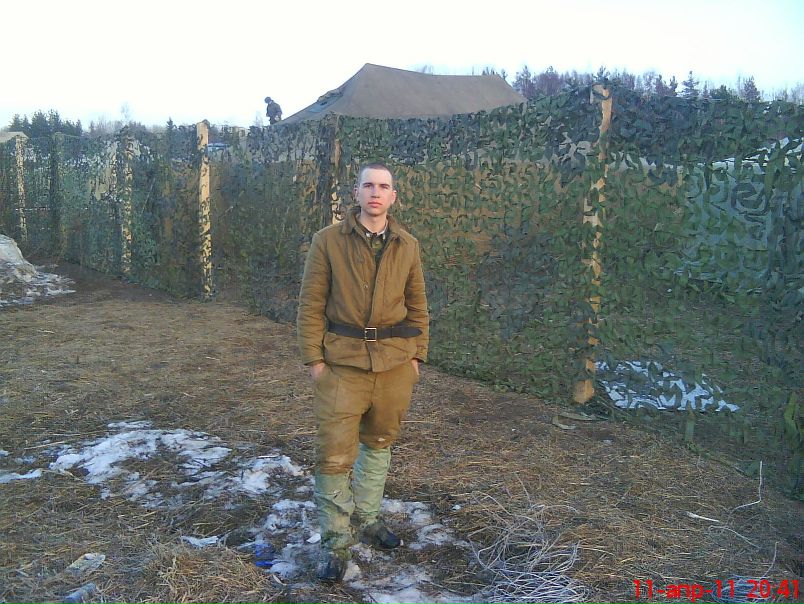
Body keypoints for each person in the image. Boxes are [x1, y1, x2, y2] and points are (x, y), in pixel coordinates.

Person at [297, 162, 429, 582]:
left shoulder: (407, 245)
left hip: (394, 365)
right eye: (368, 185)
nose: (375, 192)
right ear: (355, 194)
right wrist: (315, 361)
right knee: (334, 454)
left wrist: (416, 358)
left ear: (393, 196)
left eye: (383, 186)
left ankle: (368, 520)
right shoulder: (328, 241)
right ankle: (336, 542)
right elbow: (311, 304)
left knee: (379, 442)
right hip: (342, 364)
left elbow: (418, 306)